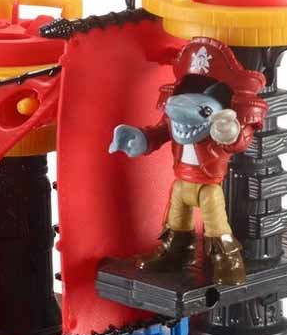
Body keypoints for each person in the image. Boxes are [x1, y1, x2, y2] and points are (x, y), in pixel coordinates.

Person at [109, 37, 267, 286]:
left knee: (216, 224)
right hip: (182, 182)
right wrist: (140, 139)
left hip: (208, 185)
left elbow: (238, 142)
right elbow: (160, 132)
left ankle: (228, 261)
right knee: (176, 221)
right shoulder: (176, 119)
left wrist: (230, 131)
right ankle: (175, 251)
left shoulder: (221, 123)